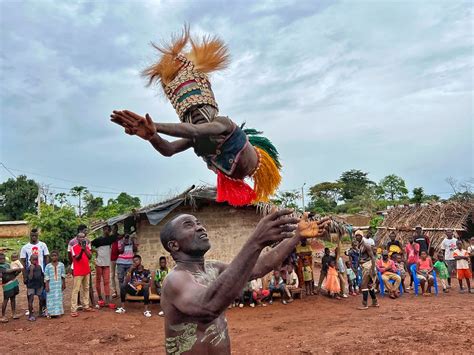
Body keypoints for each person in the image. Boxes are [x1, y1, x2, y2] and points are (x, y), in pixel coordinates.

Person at [110, 27, 282, 207]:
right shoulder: (193, 138)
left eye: (199, 109)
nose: (195, 116)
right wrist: (152, 136)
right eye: (190, 114)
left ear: (210, 106)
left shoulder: (222, 123)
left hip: (251, 162)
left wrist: (156, 127)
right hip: (230, 173)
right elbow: (168, 149)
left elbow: (195, 129)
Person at [158, 209, 329, 354]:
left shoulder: (213, 268)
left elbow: (258, 267)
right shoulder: (175, 279)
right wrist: (255, 241)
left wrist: (295, 238)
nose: (200, 227)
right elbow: (208, 306)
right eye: (189, 225)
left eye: (199, 223)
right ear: (174, 245)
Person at [20, 228, 49, 316]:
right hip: (30, 274)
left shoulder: (43, 245)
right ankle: (31, 310)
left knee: (42, 292)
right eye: (32, 235)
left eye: (35, 235)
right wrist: (25, 276)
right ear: (30, 236)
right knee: (30, 292)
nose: (34, 237)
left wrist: (47, 271)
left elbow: (46, 257)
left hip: (41, 273)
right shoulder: (25, 247)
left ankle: (43, 309)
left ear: (37, 236)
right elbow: (23, 262)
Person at [91, 225, 117, 308]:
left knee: (106, 281)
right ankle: (100, 298)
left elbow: (118, 235)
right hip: (99, 263)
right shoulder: (98, 240)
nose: (106, 231)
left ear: (110, 231)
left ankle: (107, 300)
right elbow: (89, 245)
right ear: (103, 230)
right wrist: (95, 251)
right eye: (105, 229)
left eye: (108, 229)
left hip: (106, 264)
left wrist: (114, 228)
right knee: (98, 281)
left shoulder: (111, 238)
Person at [70, 233, 95, 317]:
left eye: (83, 237)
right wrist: (82, 250)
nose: (82, 238)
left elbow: (90, 256)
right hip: (78, 271)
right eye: (80, 237)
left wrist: (85, 249)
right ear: (77, 238)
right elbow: (77, 258)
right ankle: (73, 309)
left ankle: (86, 305)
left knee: (86, 288)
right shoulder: (74, 247)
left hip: (86, 270)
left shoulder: (86, 246)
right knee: (76, 290)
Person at [355, 231, 379, 310]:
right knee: (369, 285)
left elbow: (372, 257)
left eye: (358, 236)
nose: (357, 237)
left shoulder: (366, 245)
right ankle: (375, 302)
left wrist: (373, 269)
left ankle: (364, 304)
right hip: (365, 266)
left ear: (362, 236)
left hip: (368, 267)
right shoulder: (360, 245)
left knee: (364, 284)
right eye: (356, 236)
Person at [0, 252, 21, 323]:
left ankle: (14, 313)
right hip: (7, 285)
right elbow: (8, 271)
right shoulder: (1, 267)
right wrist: (17, 268)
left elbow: (14, 273)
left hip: (13, 283)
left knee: (13, 298)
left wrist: (18, 271)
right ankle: (3, 316)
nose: (2, 260)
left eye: (3, 258)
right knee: (6, 299)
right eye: (1, 259)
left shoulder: (8, 264)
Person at [44, 250, 66, 317]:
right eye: (52, 256)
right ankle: (50, 313)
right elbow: (46, 276)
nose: (54, 257)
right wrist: (47, 285)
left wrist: (64, 283)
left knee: (58, 298)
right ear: (50, 257)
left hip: (58, 284)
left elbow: (63, 275)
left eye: (55, 256)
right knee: (50, 298)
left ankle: (58, 312)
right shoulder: (48, 266)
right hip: (51, 285)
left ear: (58, 257)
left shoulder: (61, 265)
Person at [25, 254, 44, 321]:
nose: (35, 261)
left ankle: (40, 312)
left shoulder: (39, 267)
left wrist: (43, 284)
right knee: (31, 299)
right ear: (30, 260)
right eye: (33, 259)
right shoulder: (28, 268)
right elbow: (29, 278)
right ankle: (30, 315)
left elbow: (42, 275)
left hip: (39, 285)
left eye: (36, 259)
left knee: (41, 299)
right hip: (31, 286)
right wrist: (31, 270)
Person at [110, 224, 121, 298]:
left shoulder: (119, 237)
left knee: (119, 275)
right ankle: (114, 291)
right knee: (112, 275)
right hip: (111, 258)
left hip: (119, 258)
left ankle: (121, 291)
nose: (114, 229)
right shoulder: (109, 238)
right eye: (113, 228)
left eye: (115, 228)